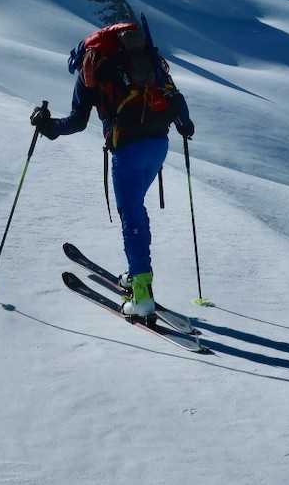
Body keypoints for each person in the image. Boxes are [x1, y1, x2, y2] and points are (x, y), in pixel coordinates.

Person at [31, 24, 193, 318]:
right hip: (159, 145)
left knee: (131, 216)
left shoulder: (91, 68)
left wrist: (48, 127)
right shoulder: (143, 60)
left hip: (128, 150)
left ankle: (142, 295)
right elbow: (176, 97)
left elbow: (77, 122)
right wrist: (184, 124)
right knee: (136, 210)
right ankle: (136, 273)